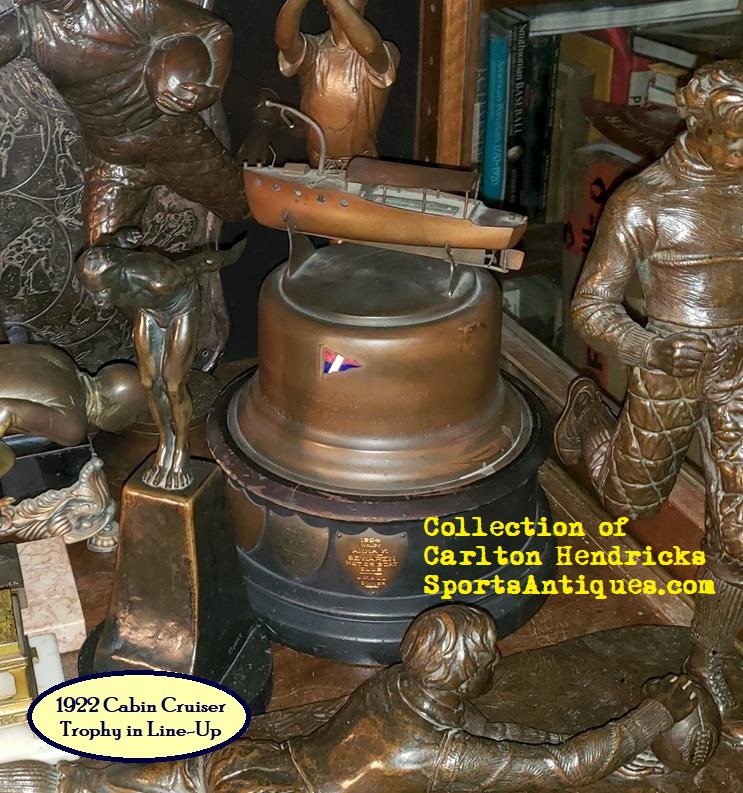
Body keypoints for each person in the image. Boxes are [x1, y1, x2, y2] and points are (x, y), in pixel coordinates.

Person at [0, 605, 702, 792]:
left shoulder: (400, 687)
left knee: (90, 783)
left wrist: (614, 749)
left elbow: (507, 740)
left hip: (250, 764)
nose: (496, 662)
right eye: (489, 656)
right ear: (464, 672)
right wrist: (654, 714)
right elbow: (558, 772)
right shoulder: (429, 750)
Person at [554, 60, 743, 744]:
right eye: (736, 136)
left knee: (739, 531)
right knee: (632, 498)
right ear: (698, 122)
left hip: (738, 367)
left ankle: (707, 661)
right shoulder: (644, 202)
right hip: (669, 361)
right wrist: (650, 348)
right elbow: (591, 308)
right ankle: (585, 418)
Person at [0, 0, 248, 246]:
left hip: (176, 143)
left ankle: (263, 122)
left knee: (243, 208)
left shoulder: (130, 6)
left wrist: (212, 89)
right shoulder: (28, 27)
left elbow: (214, 31)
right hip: (114, 159)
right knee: (102, 259)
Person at [77, 237, 243, 490]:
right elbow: (113, 244)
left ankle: (182, 445)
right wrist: (123, 236)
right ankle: (166, 440)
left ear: (118, 276)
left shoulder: (161, 278)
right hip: (149, 312)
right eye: (92, 293)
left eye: (101, 293)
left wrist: (230, 255)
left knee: (173, 385)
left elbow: (199, 263)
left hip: (180, 309)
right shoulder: (115, 270)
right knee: (148, 382)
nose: (97, 301)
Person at [275, 0, 399, 168]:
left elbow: (369, 48)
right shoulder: (314, 50)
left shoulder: (383, 52)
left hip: (360, 169)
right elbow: (285, 43)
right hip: (317, 166)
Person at [0, 343, 146, 478]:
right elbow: (6, 412)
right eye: (133, 416)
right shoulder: (72, 427)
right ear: (114, 408)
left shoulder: (62, 357)